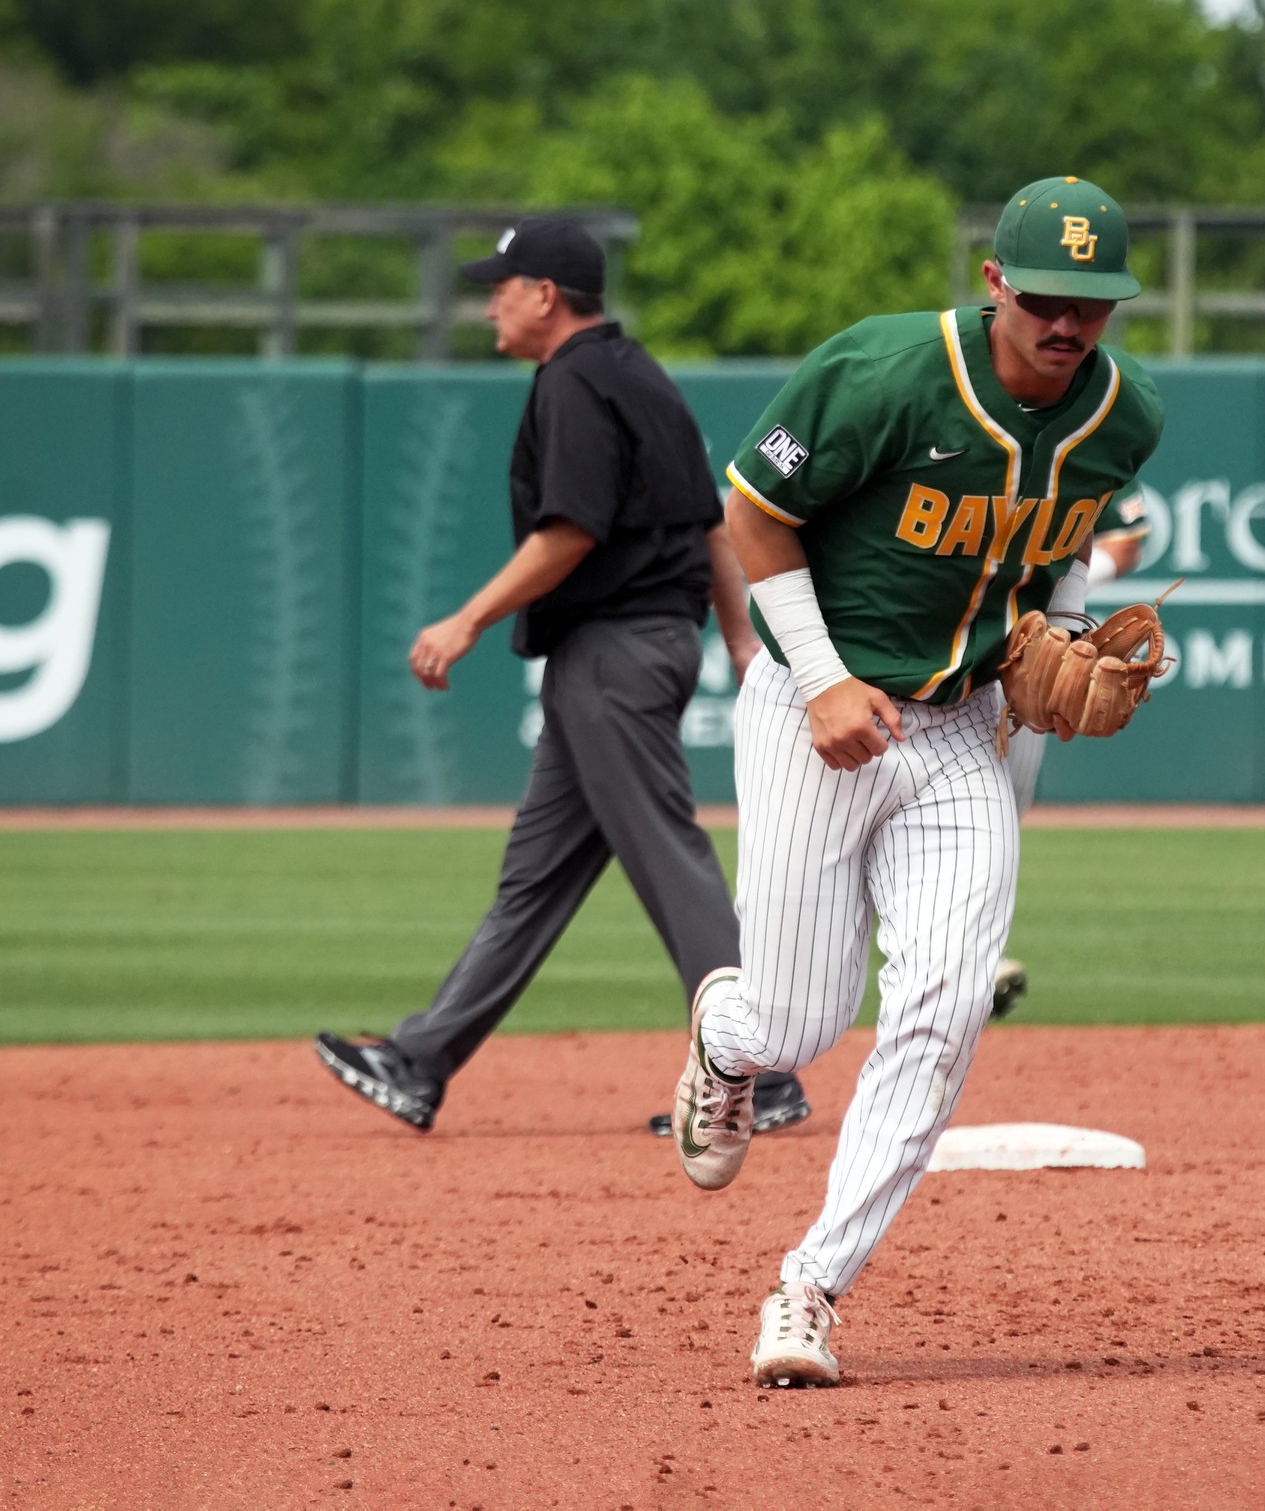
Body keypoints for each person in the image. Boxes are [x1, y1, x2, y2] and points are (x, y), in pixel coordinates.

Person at [669, 176, 1163, 1387]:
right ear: (994, 282)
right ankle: (726, 1046)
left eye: (1091, 303)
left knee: (940, 1010)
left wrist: (1068, 632)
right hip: (815, 713)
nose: (1067, 323)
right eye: (1045, 296)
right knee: (799, 1023)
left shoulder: (1121, 416)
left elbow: (1057, 550)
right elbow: (756, 515)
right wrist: (825, 676)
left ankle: (810, 1289)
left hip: (959, 733)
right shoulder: (884, 371)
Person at [313, 216, 810, 1135]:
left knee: (669, 858)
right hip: (632, 647)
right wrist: (738, 639)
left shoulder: (575, 383)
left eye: (501, 285)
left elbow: (573, 530)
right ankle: (420, 1061)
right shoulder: (641, 375)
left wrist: (465, 619)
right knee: (534, 881)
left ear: (546, 294)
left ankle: (761, 1070)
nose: (490, 301)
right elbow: (711, 520)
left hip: (614, 651)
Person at [988, 500, 1149, 1017]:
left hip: (1027, 654)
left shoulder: (1093, 428)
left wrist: (1062, 611)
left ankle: (972, 954)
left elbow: (1123, 542)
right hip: (928, 649)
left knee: (1002, 815)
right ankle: (953, 955)